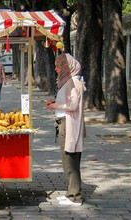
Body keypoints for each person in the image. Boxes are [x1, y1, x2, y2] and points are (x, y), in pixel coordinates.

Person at [46, 53, 86, 206]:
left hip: (69, 125)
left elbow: (73, 106)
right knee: (66, 159)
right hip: (64, 123)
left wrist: (56, 106)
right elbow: (68, 101)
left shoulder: (74, 82)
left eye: (59, 66)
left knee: (71, 160)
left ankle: (75, 196)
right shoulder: (68, 82)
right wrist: (56, 101)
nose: (56, 69)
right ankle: (70, 192)